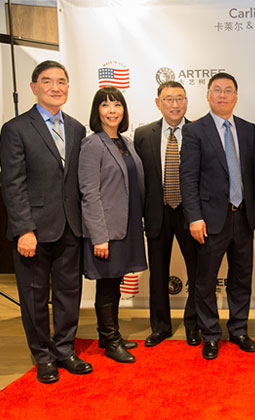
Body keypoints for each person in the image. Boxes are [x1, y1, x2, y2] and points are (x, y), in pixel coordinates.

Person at [0, 60, 92, 383]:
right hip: (34, 230)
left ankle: (65, 350)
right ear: (33, 87)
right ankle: (43, 356)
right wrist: (24, 228)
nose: (56, 87)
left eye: (61, 81)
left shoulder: (77, 129)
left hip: (70, 227)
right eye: (47, 81)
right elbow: (12, 183)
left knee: (69, 293)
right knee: (34, 296)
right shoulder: (15, 129)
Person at [180, 72, 255, 360]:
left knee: (241, 278)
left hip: (243, 217)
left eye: (228, 90)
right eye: (216, 90)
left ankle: (239, 330)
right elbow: (188, 177)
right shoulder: (195, 131)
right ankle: (210, 334)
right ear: (208, 95)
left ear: (236, 97)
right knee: (205, 281)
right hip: (209, 220)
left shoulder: (247, 129)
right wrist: (194, 217)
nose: (222, 94)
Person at [79, 86, 147, 363]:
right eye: (105, 105)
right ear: (97, 112)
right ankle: (110, 340)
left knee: (115, 281)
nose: (112, 110)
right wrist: (99, 236)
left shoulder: (125, 142)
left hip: (127, 225)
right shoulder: (92, 144)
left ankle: (109, 335)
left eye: (117, 105)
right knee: (107, 285)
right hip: (106, 229)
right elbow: (89, 192)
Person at [134, 81, 200, 347]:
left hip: (190, 212)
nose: (175, 104)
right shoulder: (143, 134)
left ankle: (193, 325)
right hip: (157, 211)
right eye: (168, 99)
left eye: (180, 98)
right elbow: (139, 179)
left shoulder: (198, 131)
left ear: (187, 102)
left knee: (197, 272)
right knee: (158, 273)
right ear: (158, 103)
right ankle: (160, 327)